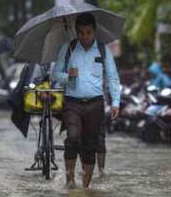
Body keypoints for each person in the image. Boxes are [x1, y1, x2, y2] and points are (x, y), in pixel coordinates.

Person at [52, 13, 121, 189]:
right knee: (73, 137)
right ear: (76, 31)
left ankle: (85, 188)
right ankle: (69, 181)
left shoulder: (104, 50)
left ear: (94, 31)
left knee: (91, 145)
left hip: (95, 103)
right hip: (72, 102)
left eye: (88, 32)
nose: (85, 37)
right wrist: (68, 77)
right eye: (81, 33)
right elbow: (56, 75)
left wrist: (115, 103)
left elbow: (113, 78)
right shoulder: (67, 49)